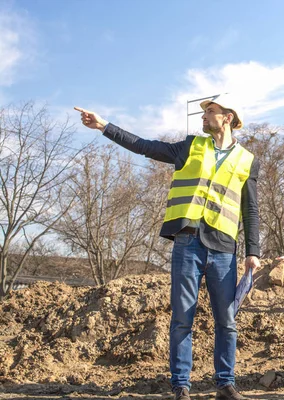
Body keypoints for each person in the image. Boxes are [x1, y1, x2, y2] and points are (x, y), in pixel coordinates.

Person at [74, 93, 260, 400]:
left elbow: (250, 210)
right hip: (187, 242)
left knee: (226, 320)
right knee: (182, 318)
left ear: (227, 117)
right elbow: (145, 146)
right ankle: (180, 386)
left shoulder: (247, 160)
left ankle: (225, 383)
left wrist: (253, 251)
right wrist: (104, 126)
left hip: (224, 250)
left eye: (209, 111)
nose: (203, 116)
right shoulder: (190, 146)